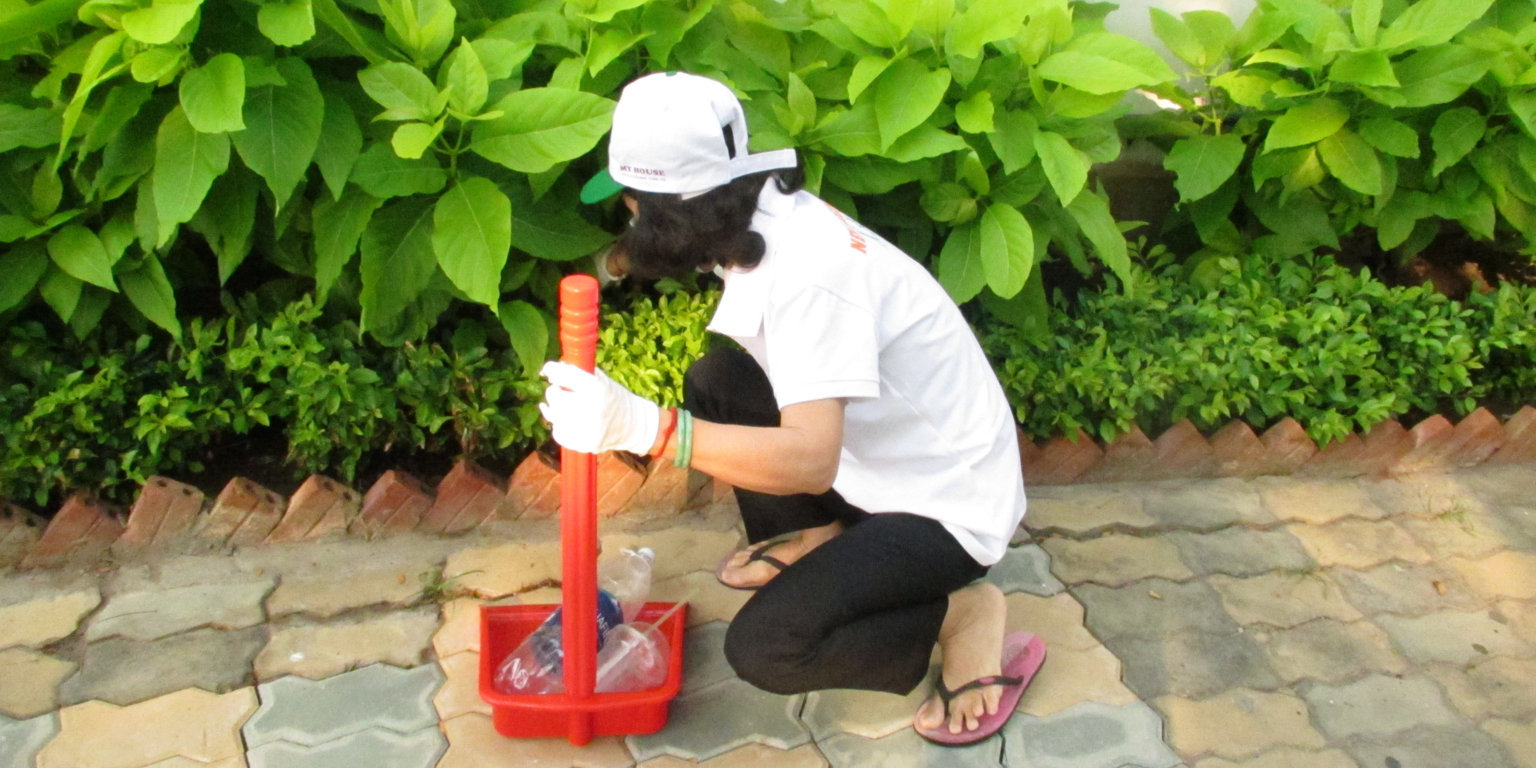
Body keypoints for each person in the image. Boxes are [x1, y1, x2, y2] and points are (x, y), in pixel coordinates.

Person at [538, 71, 1042, 745]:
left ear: (666, 211)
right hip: (877, 458)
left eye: (633, 206)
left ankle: (962, 617)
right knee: (717, 382)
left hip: (946, 506)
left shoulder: (810, 274)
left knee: (767, 649)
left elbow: (809, 459)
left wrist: (643, 426)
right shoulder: (749, 212)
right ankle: (823, 533)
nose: (627, 217)